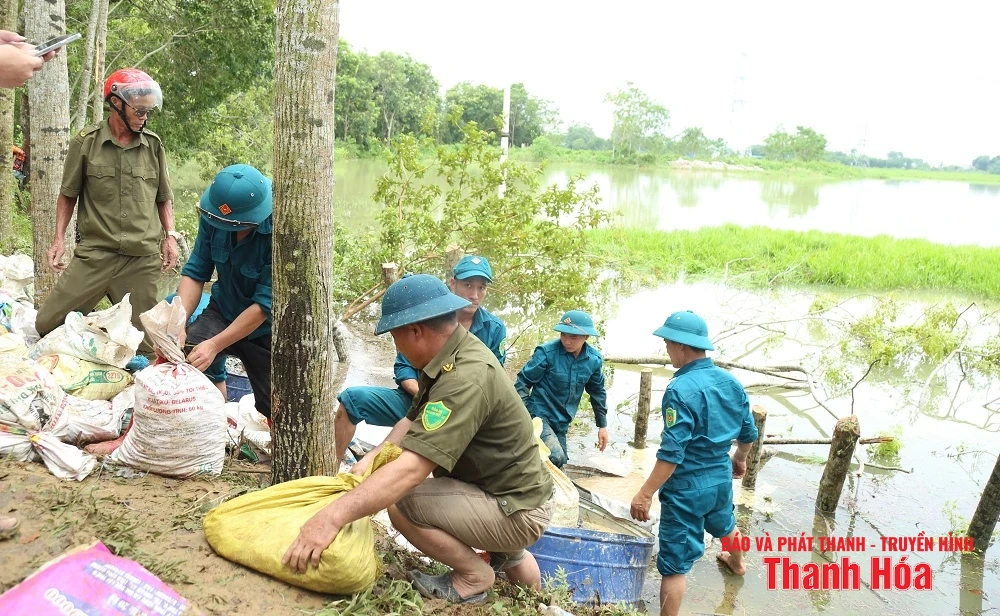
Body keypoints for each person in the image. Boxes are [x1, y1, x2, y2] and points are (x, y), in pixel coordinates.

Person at [283, 274, 553, 604]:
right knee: (512, 554)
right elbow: (411, 420)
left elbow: (412, 471)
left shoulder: (465, 378)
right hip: (507, 493)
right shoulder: (451, 353)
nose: (396, 347)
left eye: (396, 338)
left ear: (415, 331)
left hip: (515, 507)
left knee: (402, 501)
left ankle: (473, 576)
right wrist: (372, 459)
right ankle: (537, 603)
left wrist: (330, 518)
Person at [35, 68, 176, 356]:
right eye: (139, 111)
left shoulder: (153, 146)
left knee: (149, 348)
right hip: (96, 254)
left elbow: (163, 197)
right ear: (116, 104)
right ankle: (96, 348)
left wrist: (170, 236)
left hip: (140, 257)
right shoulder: (86, 142)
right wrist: (58, 239)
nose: (144, 117)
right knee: (47, 324)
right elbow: (68, 194)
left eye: (149, 112)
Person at [629, 310, 758, 616]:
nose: (667, 350)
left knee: (674, 566)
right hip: (719, 478)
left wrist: (645, 493)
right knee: (727, 525)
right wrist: (738, 460)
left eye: (668, 344)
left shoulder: (678, 390)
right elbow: (748, 433)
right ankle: (737, 563)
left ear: (682, 346)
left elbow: (672, 453)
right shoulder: (731, 382)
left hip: (686, 487)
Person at [334, 255, 507, 464]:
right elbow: (404, 369)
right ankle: (331, 471)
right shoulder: (425, 315)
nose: (474, 295)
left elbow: (493, 379)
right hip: (415, 397)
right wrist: (424, 399)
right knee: (353, 399)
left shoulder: (494, 329)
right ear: (453, 283)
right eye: (468, 285)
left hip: (462, 407)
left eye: (482, 288)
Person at [175, 164, 272, 418]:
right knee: (184, 358)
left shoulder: (279, 231)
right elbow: (196, 272)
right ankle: (202, 430)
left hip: (266, 327)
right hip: (224, 308)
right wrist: (178, 324)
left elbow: (264, 306)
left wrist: (216, 345)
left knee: (275, 403)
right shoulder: (214, 217)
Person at [514, 310, 608, 468]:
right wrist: (523, 415)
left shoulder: (593, 360)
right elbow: (523, 382)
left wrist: (602, 426)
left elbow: (597, 392)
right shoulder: (546, 353)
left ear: (586, 337)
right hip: (538, 416)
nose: (567, 341)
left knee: (561, 462)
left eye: (573, 337)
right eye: (563, 335)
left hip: (562, 421)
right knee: (554, 456)